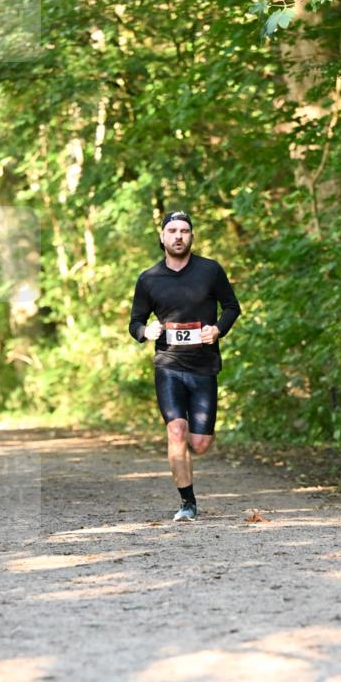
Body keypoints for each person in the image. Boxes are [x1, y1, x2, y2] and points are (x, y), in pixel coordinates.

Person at [129, 211, 241, 521]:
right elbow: (135, 322)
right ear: (162, 237)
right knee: (176, 431)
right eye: (173, 231)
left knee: (200, 444)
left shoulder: (210, 271)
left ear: (191, 237)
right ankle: (187, 503)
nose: (179, 236)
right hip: (168, 365)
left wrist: (217, 329)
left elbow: (232, 307)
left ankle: (187, 464)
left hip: (203, 366)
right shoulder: (149, 279)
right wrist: (145, 332)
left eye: (185, 231)